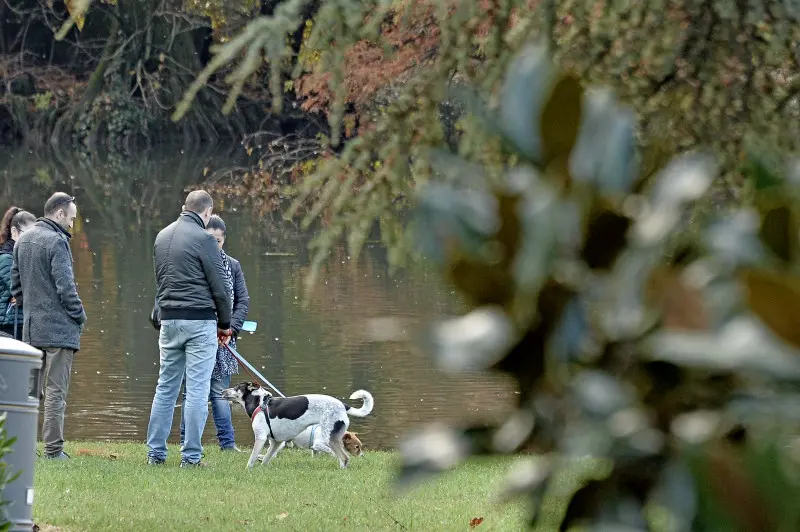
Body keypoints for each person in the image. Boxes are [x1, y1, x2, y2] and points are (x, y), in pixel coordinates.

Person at [146, 190, 233, 467]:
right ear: (207, 212)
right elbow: (220, 288)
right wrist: (225, 324)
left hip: (169, 321)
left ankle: (156, 454)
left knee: (166, 388)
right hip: (199, 321)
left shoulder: (161, 237)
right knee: (196, 390)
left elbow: (161, 283)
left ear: (185, 207)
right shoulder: (205, 239)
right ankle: (191, 457)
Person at [11, 193, 87, 460]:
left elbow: (16, 288)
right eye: (71, 219)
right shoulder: (56, 242)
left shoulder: (23, 241)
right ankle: (54, 451)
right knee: (55, 392)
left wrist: (31, 307)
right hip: (58, 332)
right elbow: (66, 288)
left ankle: (24, 446)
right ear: (59, 213)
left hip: (31, 331)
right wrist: (80, 316)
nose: (72, 225)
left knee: (31, 393)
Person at [179, 215, 250, 452]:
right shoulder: (194, 265)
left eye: (217, 240)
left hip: (224, 341)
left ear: (224, 240)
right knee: (192, 393)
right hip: (197, 337)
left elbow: (242, 301)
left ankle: (227, 444)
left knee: (221, 394)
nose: (214, 245)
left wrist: (231, 329)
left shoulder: (233, 265)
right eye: (209, 240)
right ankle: (185, 441)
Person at [0, 207, 36, 340]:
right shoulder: (6, 258)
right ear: (14, 232)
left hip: (23, 322)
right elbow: (21, 288)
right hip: (8, 325)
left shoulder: (27, 256)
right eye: (27, 234)